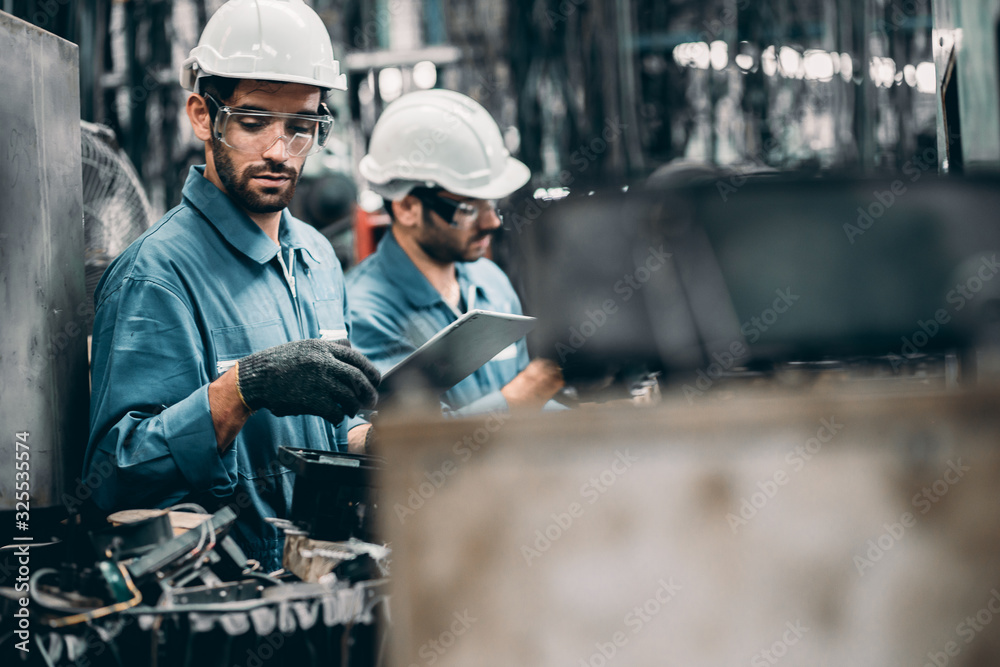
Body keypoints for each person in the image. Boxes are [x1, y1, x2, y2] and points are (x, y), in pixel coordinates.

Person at [85, 0, 379, 572]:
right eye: (253, 121)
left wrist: (374, 443)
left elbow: (327, 431)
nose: (278, 150)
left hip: (323, 591)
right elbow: (112, 480)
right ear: (202, 115)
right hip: (224, 610)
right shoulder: (156, 276)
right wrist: (240, 391)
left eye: (302, 127)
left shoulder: (317, 258)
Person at [346, 90, 564, 416]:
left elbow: (535, 413)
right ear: (407, 207)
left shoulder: (490, 282)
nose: (491, 223)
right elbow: (408, 445)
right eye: (467, 209)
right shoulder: (364, 313)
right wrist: (521, 396)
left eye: (491, 205)